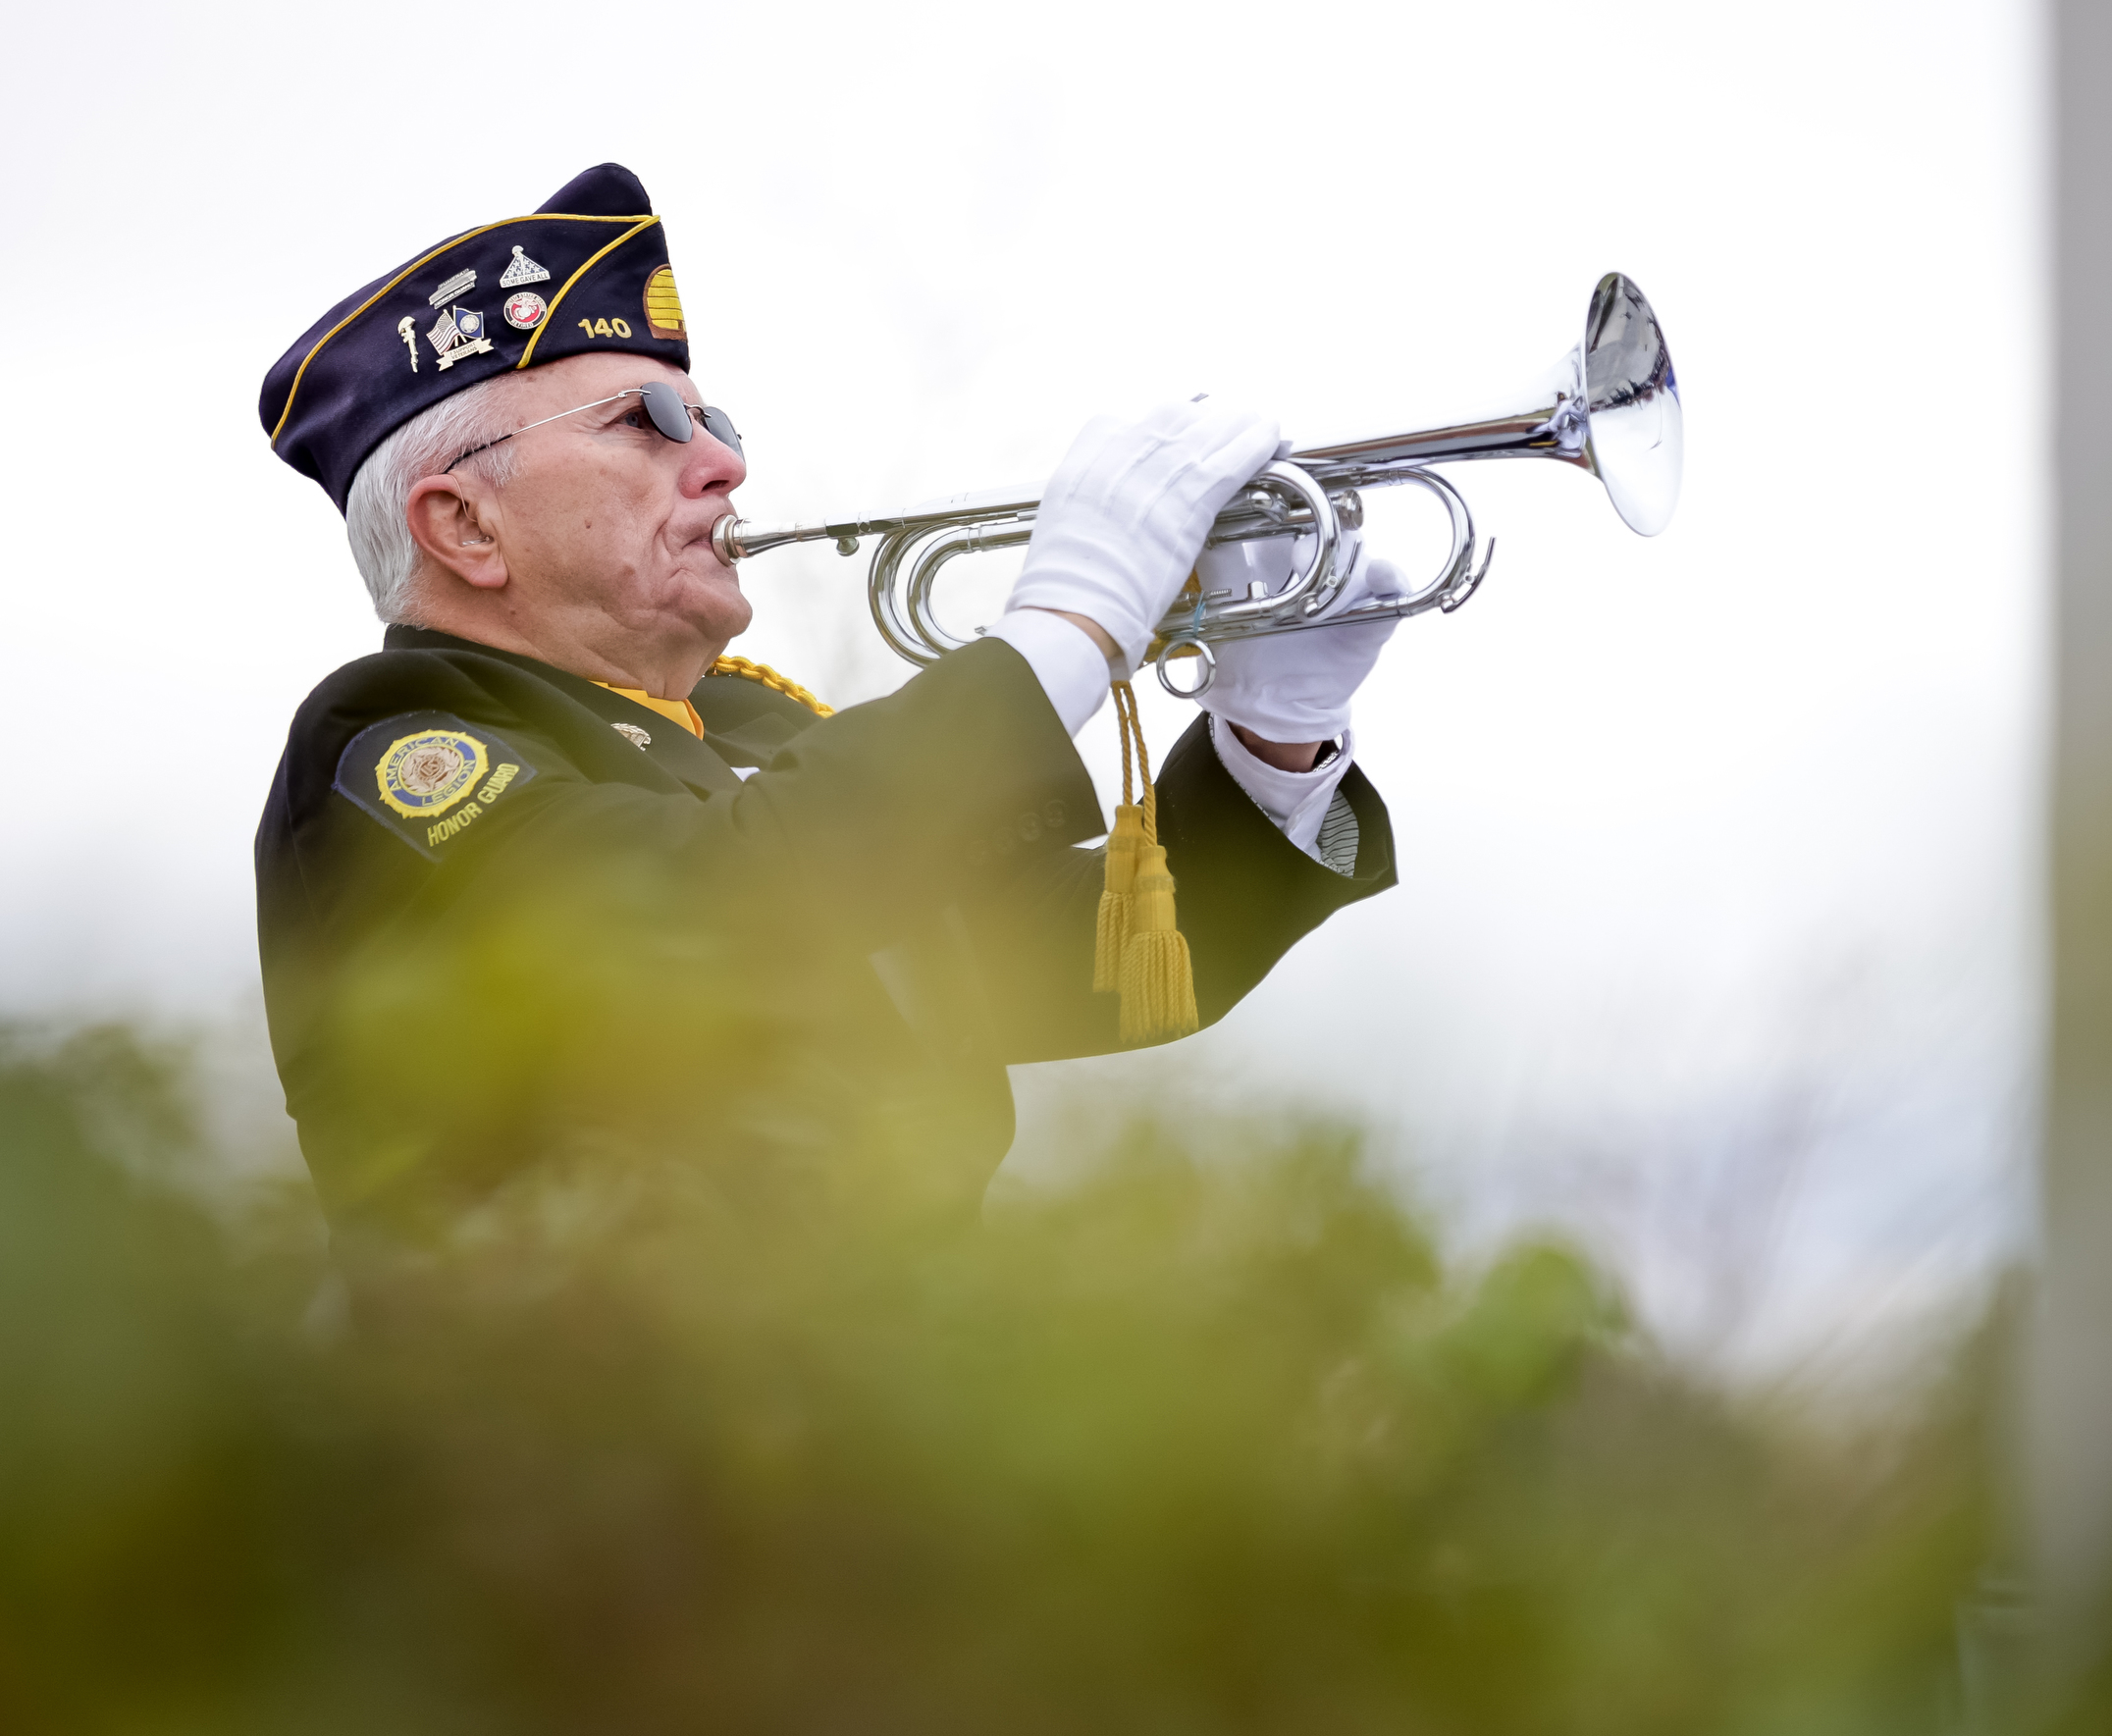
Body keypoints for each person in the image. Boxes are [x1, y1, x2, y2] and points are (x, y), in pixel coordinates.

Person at [253, 163, 1406, 1244]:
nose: (721, 466)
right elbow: (708, 910)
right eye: (644, 422)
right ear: (465, 524)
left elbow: (1111, 964)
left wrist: (1275, 731)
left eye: (716, 425)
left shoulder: (748, 730)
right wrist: (1067, 628)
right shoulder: (390, 743)